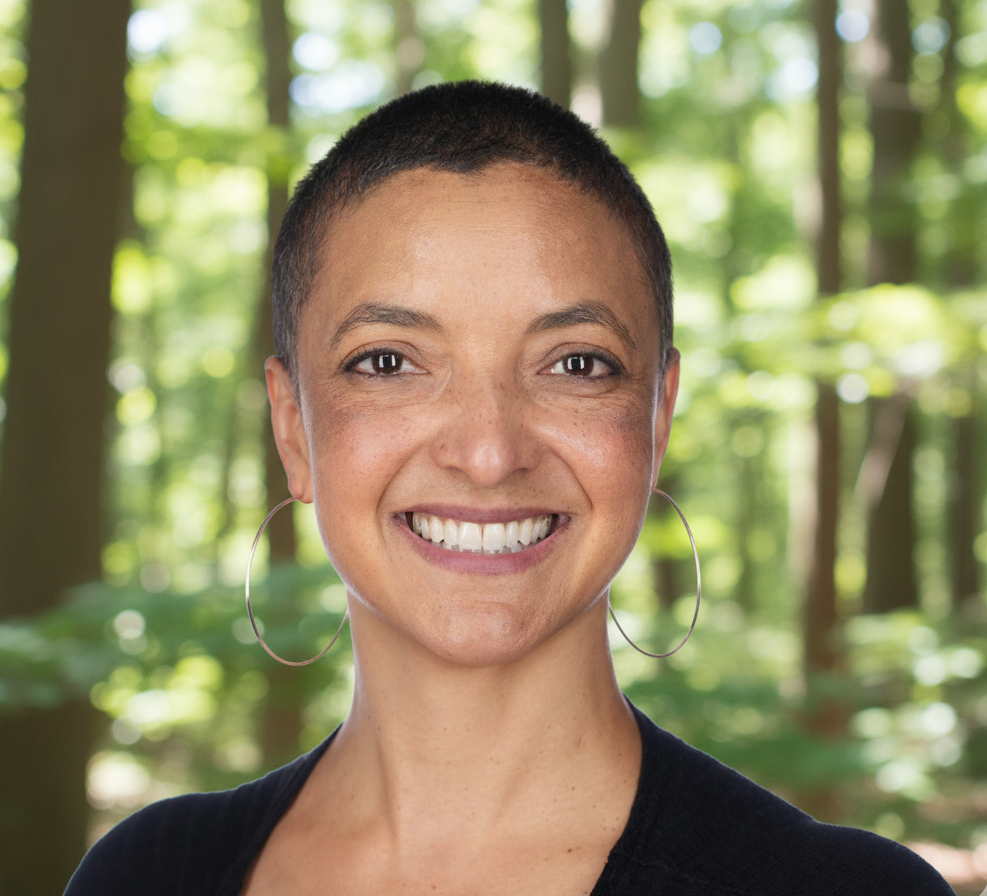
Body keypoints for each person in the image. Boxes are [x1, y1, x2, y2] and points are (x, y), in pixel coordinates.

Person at [65, 81, 951, 896]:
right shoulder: (146, 874)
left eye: (575, 364)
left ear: (656, 418)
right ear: (293, 428)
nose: (488, 453)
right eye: (388, 362)